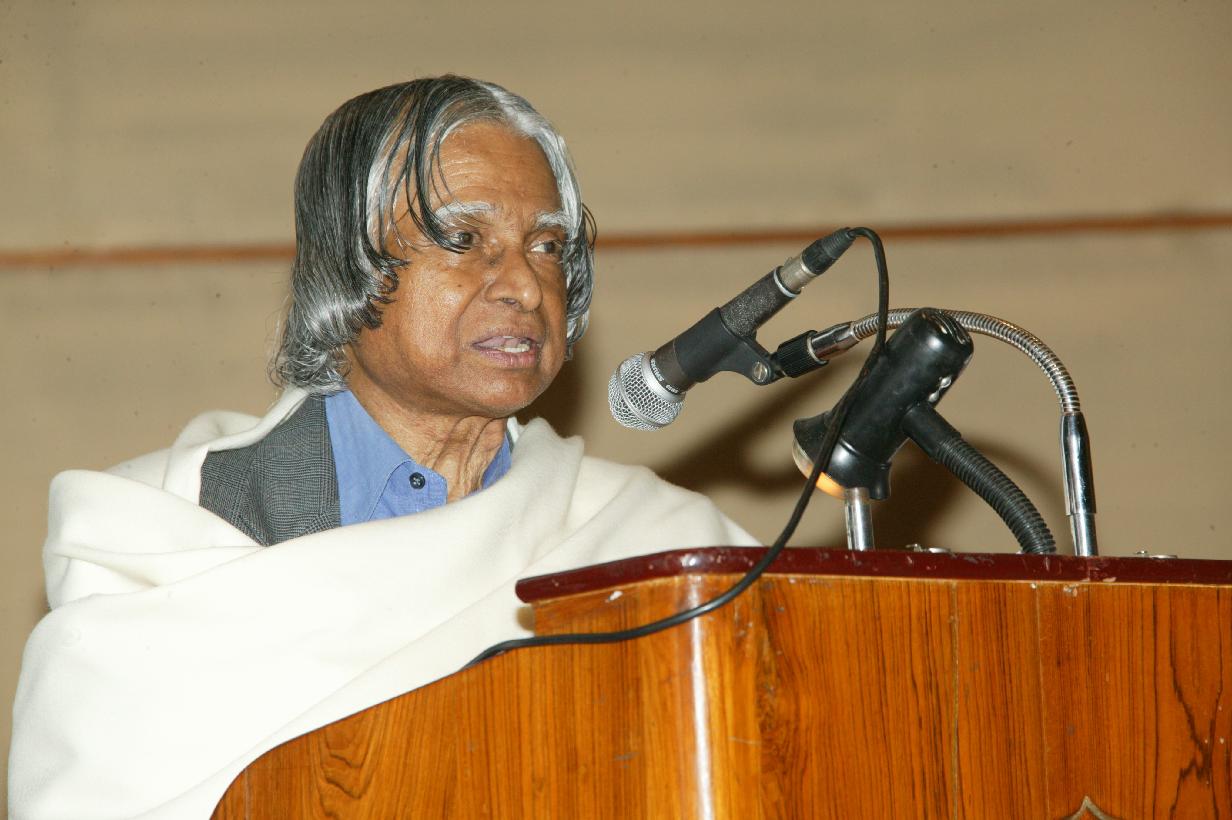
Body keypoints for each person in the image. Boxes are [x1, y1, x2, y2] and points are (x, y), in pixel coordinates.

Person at [9, 76, 756, 819]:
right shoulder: (167, 532)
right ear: (347, 263)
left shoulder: (657, 547)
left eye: (547, 245)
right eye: (464, 240)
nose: (527, 287)